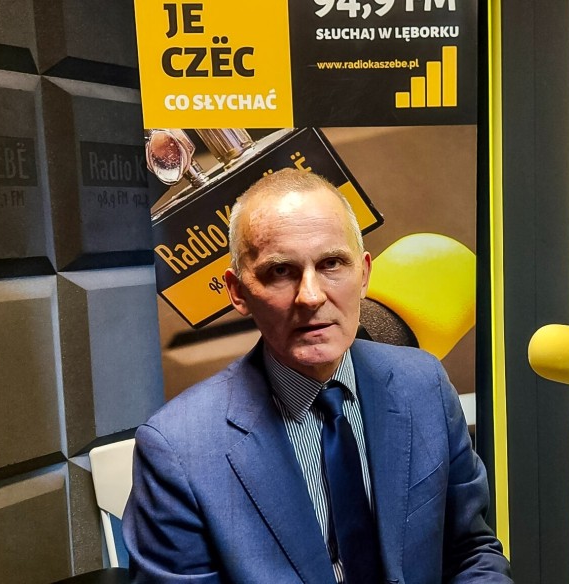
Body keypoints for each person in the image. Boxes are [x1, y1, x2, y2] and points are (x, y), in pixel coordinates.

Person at [123, 169, 513, 583]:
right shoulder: (177, 448)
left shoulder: (424, 385)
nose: (310, 296)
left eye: (331, 264)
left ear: (364, 274)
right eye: (280, 271)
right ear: (238, 291)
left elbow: (471, 552)